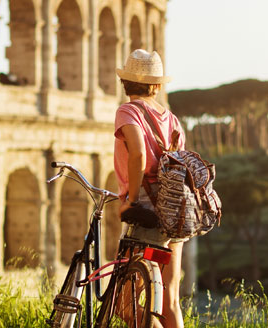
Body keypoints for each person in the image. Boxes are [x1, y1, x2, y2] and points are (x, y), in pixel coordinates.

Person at [113, 49, 186, 328]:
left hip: (146, 210)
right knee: (170, 301)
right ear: (156, 86)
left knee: (124, 302)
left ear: (126, 83)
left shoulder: (128, 111)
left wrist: (132, 201)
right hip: (175, 211)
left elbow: (138, 155)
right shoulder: (173, 120)